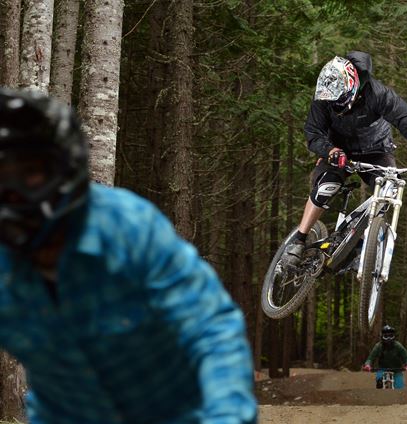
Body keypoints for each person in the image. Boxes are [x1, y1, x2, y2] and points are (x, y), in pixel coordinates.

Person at [0, 88, 257, 423]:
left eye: (30, 171)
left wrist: (227, 415)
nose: (13, 191)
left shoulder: (128, 225)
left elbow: (209, 327)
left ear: (63, 167)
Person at [282, 51, 407, 267]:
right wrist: (329, 150)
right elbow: (313, 132)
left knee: (389, 191)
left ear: (352, 88)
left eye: (339, 101)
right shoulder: (324, 95)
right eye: (330, 102)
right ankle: (299, 239)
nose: (334, 106)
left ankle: (364, 246)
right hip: (338, 151)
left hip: (376, 150)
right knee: (326, 186)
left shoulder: (378, 94)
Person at [362, 325, 407, 389]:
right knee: (379, 381)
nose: (388, 338)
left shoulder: (398, 345)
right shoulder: (378, 346)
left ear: (394, 336)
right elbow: (370, 358)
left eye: (391, 336)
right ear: (382, 337)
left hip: (397, 370)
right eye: (386, 336)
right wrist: (368, 365)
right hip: (382, 369)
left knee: (399, 388)